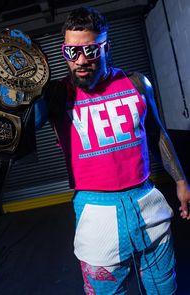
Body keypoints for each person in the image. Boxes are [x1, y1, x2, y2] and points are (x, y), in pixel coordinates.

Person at [34, 6, 190, 295]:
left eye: (91, 51)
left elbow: (156, 133)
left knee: (165, 288)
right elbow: (21, 139)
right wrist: (17, 98)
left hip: (147, 203)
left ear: (107, 46)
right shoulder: (56, 95)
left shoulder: (136, 84)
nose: (80, 61)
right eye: (72, 52)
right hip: (96, 212)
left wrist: (181, 180)